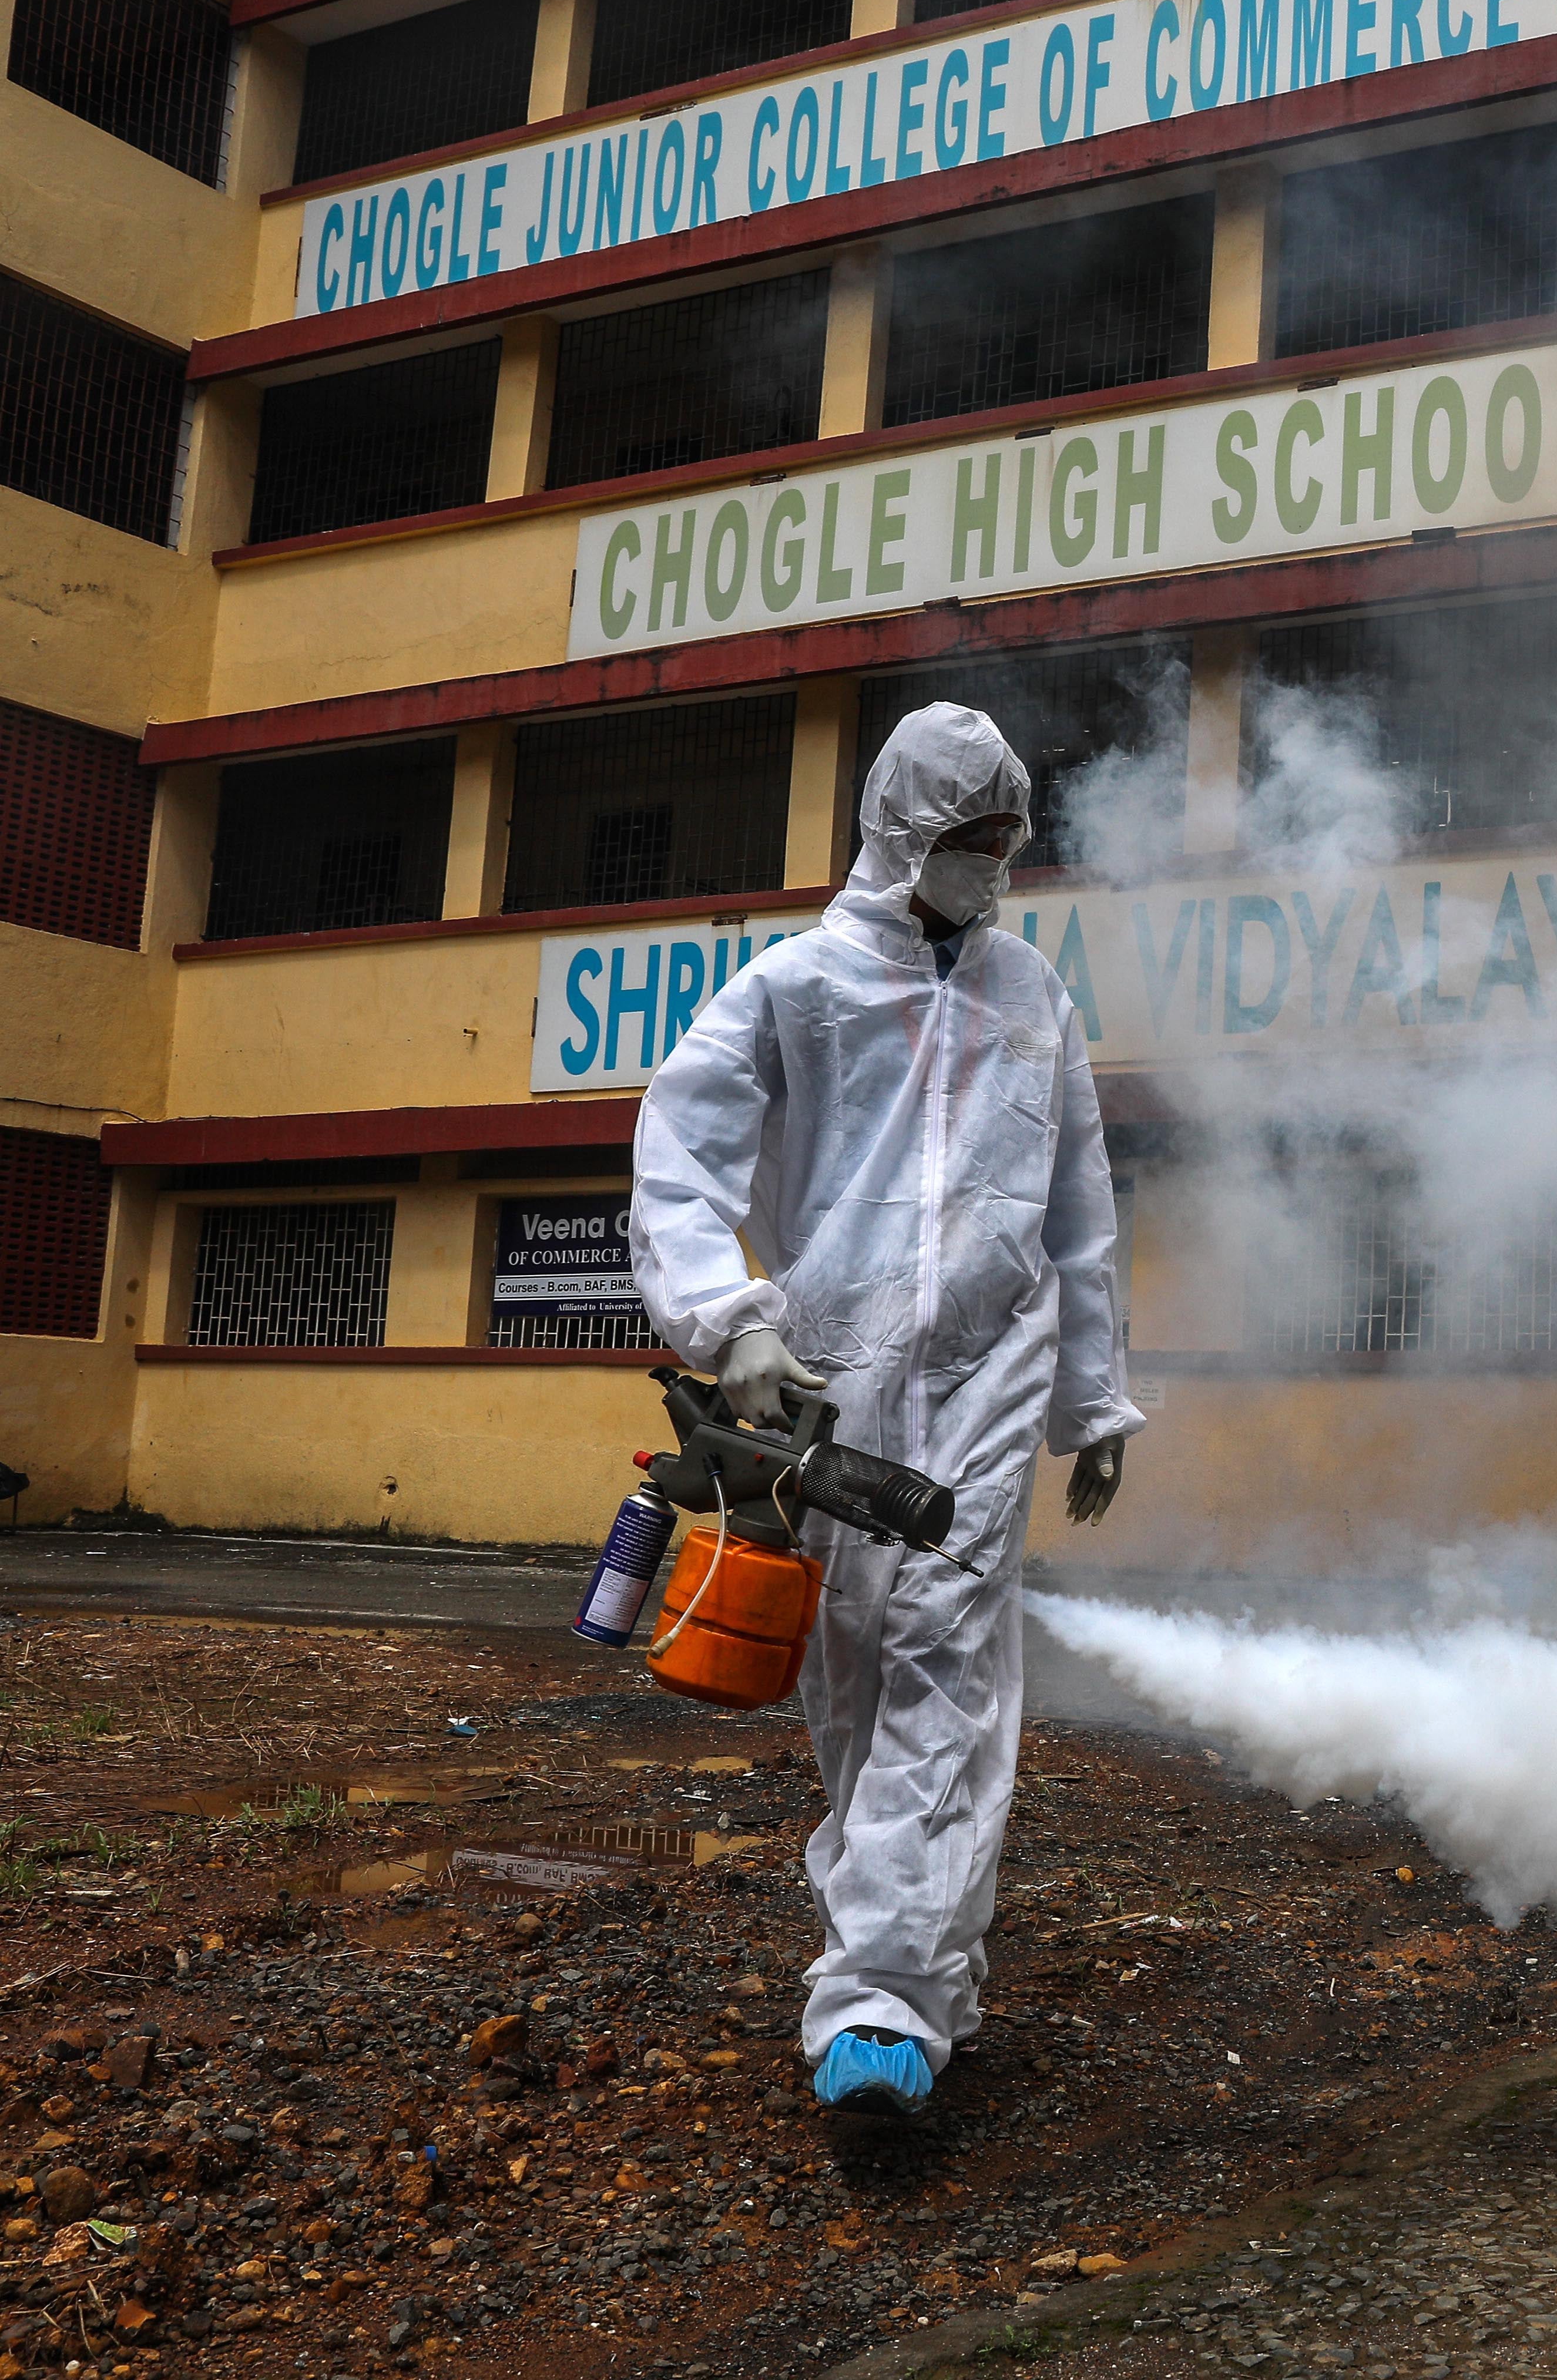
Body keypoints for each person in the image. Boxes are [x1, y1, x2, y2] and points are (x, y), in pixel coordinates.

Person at [630, 702, 1145, 2118]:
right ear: (902, 831)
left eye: (1006, 839)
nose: (993, 861)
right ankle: (914, 1959)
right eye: (969, 838)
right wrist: (727, 1325)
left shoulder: (1032, 997)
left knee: (943, 1657)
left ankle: (881, 2009)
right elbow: (680, 1159)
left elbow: (1078, 1212)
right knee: (853, 1670)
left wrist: (1092, 1396)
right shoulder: (796, 988)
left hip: (987, 1376)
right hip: (826, 1387)